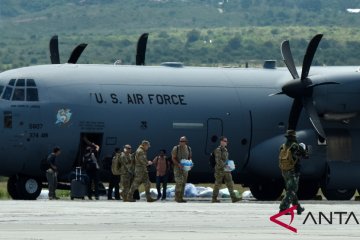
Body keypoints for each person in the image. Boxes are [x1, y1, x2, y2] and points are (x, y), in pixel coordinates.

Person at [279, 130, 308, 215]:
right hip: (293, 171)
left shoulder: (283, 146)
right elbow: (305, 155)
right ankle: (283, 208)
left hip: (284, 171)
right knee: (292, 190)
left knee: (291, 190)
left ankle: (298, 208)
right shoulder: (296, 146)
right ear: (294, 137)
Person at [211, 136, 241, 203]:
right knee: (218, 184)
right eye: (225, 141)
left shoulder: (225, 150)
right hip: (220, 170)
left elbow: (226, 160)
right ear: (221, 141)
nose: (226, 142)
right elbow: (218, 160)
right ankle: (214, 198)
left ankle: (234, 198)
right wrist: (225, 165)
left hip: (226, 170)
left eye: (226, 141)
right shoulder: (218, 150)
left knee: (230, 183)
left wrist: (231, 165)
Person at [171, 136, 192, 203]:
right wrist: (178, 164)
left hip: (185, 168)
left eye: (182, 141)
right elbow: (173, 158)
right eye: (180, 141)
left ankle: (181, 198)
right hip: (177, 168)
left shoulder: (188, 148)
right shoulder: (176, 148)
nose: (181, 142)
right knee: (179, 182)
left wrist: (190, 163)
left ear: (185, 142)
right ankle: (177, 197)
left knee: (183, 183)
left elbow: (190, 157)